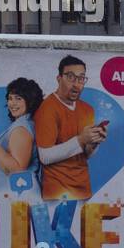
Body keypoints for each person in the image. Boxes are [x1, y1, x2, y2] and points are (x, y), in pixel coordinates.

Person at [34, 55, 105, 202]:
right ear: (59, 78)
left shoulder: (87, 109)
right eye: (71, 77)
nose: (77, 84)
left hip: (84, 190)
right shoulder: (47, 108)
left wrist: (93, 142)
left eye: (81, 79)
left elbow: (86, 155)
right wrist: (80, 140)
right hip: (57, 193)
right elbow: (45, 157)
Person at [0, 76, 44, 202]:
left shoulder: (21, 129)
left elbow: (18, 170)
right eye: (10, 98)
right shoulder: (22, 124)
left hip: (18, 198)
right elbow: (5, 167)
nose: (12, 103)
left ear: (29, 101)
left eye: (18, 99)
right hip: (11, 196)